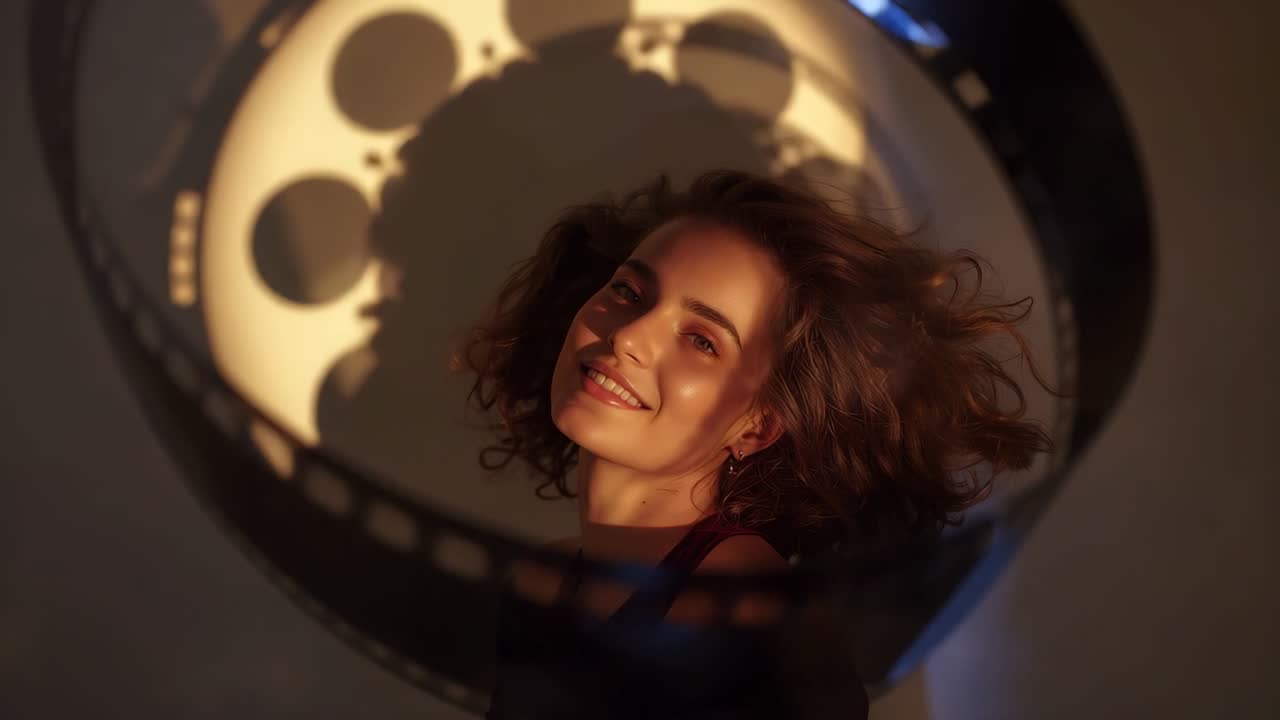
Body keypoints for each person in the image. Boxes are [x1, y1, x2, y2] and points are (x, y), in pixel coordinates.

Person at [452, 169, 1055, 718]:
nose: (630, 336)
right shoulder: (542, 580)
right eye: (629, 292)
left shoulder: (753, 615)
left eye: (702, 340)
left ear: (758, 425)